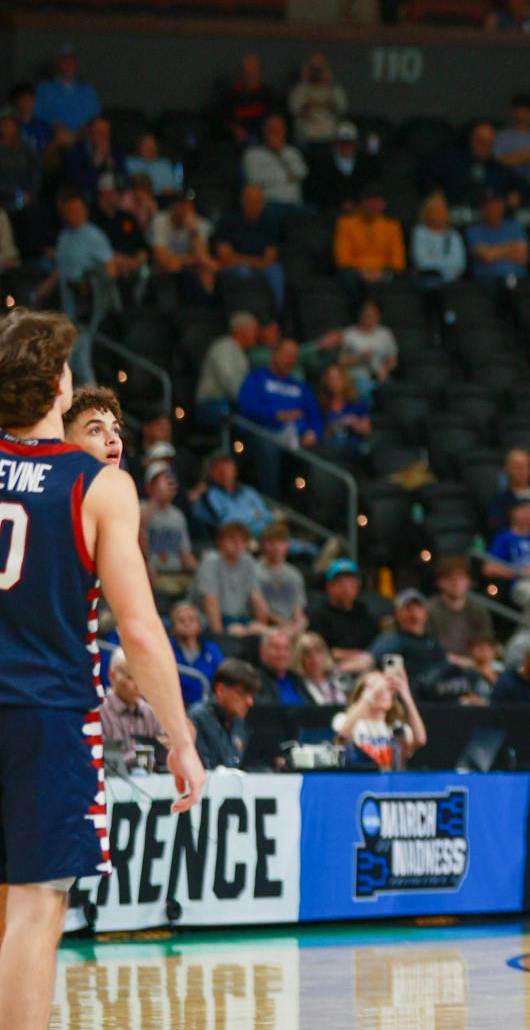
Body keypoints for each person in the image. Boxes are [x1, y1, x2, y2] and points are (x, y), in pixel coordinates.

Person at [0, 310, 204, 1028]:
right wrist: (180, 737)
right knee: (34, 902)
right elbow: (142, 630)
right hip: (45, 714)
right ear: (60, 385)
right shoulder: (98, 485)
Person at [333, 666, 426, 769]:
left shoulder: (396, 727)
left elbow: (420, 740)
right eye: (374, 687)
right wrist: (367, 699)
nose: (382, 692)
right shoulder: (344, 719)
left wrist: (406, 695)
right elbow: (342, 736)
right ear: (361, 693)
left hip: (391, 782)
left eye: (387, 689)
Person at [189, 659, 259, 768]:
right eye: (243, 694)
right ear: (220, 690)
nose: (250, 702)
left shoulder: (240, 723)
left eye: (251, 695)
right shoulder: (197, 718)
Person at [100, 649, 165, 766]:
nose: (138, 685)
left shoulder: (150, 712)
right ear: (112, 676)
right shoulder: (99, 713)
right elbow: (104, 763)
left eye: (142, 677)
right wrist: (139, 758)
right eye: (131, 677)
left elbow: (164, 753)